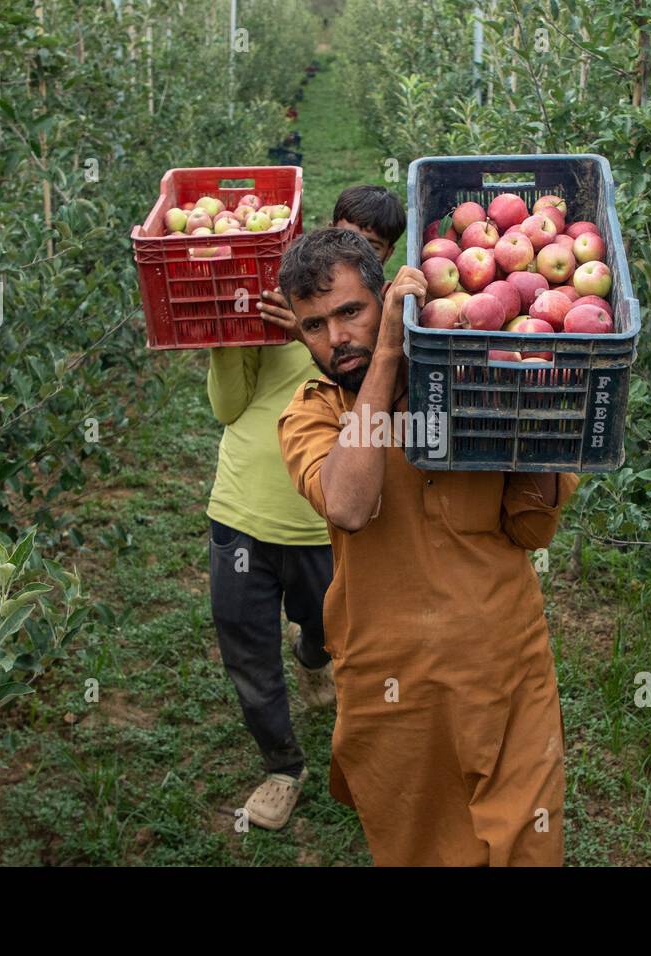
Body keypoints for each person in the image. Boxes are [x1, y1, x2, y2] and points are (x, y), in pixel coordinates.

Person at [275, 228, 579, 865]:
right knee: (424, 850)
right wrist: (387, 354)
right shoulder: (312, 416)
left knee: (530, 847)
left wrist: (534, 416)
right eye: (314, 326)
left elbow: (532, 529)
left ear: (388, 295)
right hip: (395, 685)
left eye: (351, 312)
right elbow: (352, 505)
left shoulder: (467, 382)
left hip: (505, 670)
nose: (337, 339)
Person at [206, 186, 405, 831]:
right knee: (244, 645)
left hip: (319, 525)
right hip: (243, 507)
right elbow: (227, 408)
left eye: (368, 252)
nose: (330, 329)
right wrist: (230, 333)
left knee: (326, 634)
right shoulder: (281, 305)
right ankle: (281, 766)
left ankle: (313, 657)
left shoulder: (371, 343)